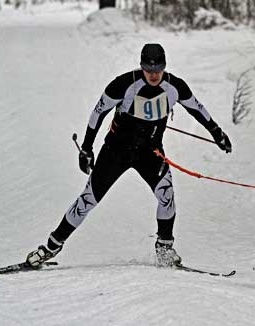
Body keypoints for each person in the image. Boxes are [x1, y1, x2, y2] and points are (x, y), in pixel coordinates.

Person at [26, 43, 232, 268]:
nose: (153, 74)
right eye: (148, 69)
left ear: (164, 67)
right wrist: (86, 148)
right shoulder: (123, 84)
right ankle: (51, 247)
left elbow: (197, 108)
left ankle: (164, 248)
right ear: (141, 66)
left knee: (167, 196)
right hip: (116, 152)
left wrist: (217, 133)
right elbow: (98, 112)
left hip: (150, 153)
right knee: (88, 200)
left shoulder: (175, 87)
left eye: (158, 69)